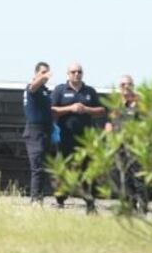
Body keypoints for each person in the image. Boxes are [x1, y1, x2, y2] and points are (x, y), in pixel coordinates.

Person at [50, 62, 107, 213]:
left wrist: (86, 109)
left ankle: (89, 202)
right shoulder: (60, 90)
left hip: (85, 140)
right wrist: (70, 108)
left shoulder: (89, 91)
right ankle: (60, 200)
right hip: (65, 138)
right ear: (68, 74)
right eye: (73, 72)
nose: (77, 74)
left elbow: (101, 110)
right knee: (63, 169)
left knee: (86, 170)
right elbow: (51, 109)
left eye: (79, 72)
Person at [106, 75, 148, 212]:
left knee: (137, 176)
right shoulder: (116, 105)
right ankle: (130, 203)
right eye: (123, 85)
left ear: (133, 86)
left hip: (135, 146)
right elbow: (111, 122)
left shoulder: (140, 104)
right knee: (121, 176)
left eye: (129, 84)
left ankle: (142, 204)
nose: (126, 87)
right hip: (119, 146)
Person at [22, 61, 54, 205]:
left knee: (44, 167)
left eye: (47, 72)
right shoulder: (32, 88)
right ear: (36, 74)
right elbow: (33, 86)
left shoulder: (46, 91)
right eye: (43, 72)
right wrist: (42, 78)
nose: (46, 76)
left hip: (46, 130)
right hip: (35, 131)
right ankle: (35, 199)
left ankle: (40, 196)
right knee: (37, 167)